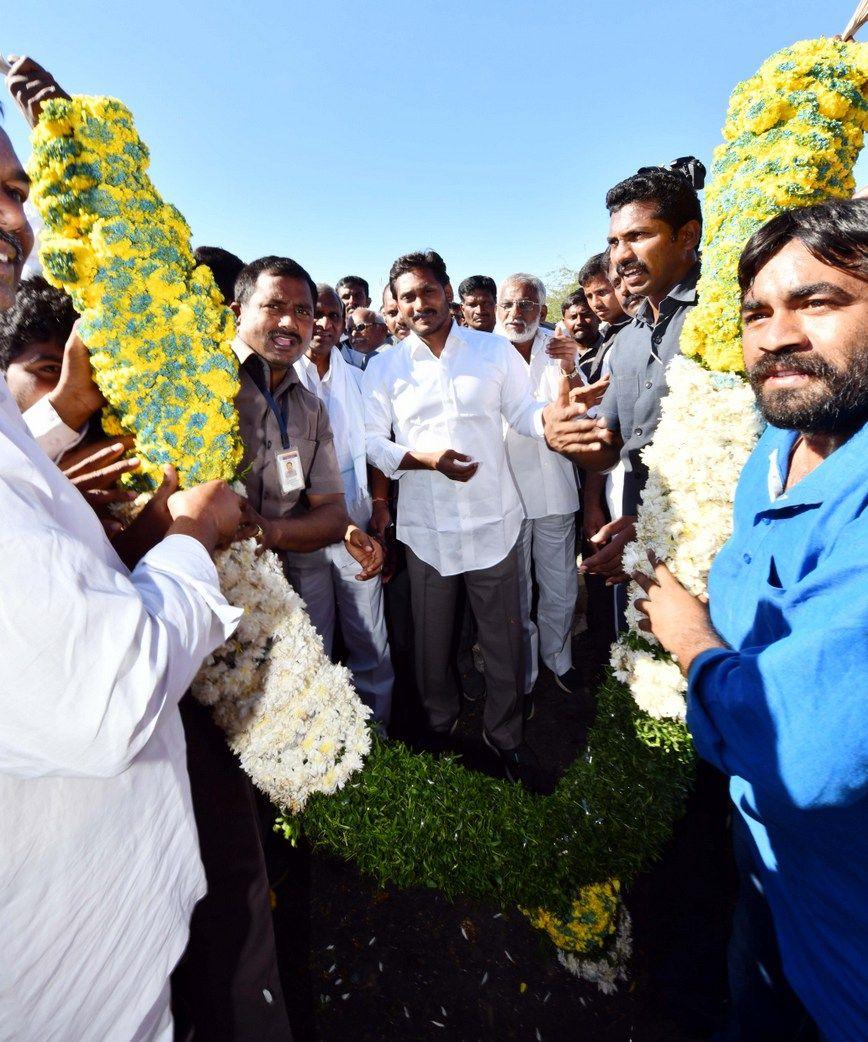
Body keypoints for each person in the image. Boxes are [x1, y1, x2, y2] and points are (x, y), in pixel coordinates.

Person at [0, 95, 248, 1041]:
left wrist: (61, 410)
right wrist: (189, 537)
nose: (17, 221)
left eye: (18, 191)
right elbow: (108, 694)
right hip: (62, 981)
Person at [634, 198, 868, 1042]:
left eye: (819, 302)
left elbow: (802, 753)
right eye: (756, 313)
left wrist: (691, 641)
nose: (776, 336)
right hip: (770, 876)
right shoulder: (776, 448)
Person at [364, 250, 565, 786]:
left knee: (503, 643)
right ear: (399, 307)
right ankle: (441, 733)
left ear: (447, 291)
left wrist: (554, 419)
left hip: (494, 525)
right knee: (432, 651)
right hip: (427, 534)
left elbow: (524, 415)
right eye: (407, 296)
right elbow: (369, 440)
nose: (418, 303)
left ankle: (507, 739)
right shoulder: (385, 366)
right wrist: (420, 460)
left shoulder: (494, 351)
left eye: (427, 291)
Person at [545, 166, 702, 585]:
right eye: (614, 241)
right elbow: (609, 448)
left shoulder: (728, 317)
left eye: (638, 236)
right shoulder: (630, 339)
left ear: (687, 235)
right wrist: (564, 439)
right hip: (645, 526)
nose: (621, 255)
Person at [293, 284, 394, 725]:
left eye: (335, 316)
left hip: (355, 524)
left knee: (368, 635)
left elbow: (375, 446)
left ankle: (378, 735)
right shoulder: (280, 376)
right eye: (316, 314)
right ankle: (325, 740)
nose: (325, 325)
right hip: (299, 531)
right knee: (313, 638)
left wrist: (378, 502)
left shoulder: (359, 376)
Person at [496, 273, 584, 699]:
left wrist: (571, 366)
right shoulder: (484, 351)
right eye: (509, 305)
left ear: (542, 311)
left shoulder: (559, 346)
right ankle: (523, 670)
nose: (517, 313)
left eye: (526, 305)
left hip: (554, 486)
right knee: (515, 592)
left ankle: (560, 659)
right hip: (504, 491)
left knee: (562, 583)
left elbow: (584, 410)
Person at [560, 288, 604, 382]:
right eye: (573, 317)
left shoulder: (612, 349)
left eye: (586, 315)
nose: (579, 322)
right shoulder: (558, 355)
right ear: (564, 322)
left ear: (599, 317)